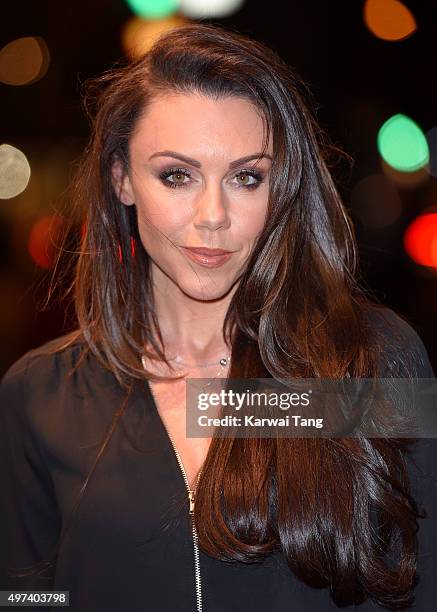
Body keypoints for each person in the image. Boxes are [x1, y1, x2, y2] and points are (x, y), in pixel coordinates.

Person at [0, 22, 436, 612]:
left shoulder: (371, 360)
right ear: (122, 179)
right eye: (177, 175)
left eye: (246, 177)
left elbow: (422, 582)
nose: (214, 215)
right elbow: (27, 598)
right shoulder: (39, 394)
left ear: (281, 187)